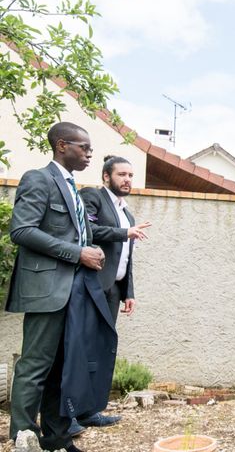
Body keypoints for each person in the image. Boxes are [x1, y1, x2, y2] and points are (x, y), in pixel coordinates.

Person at [6, 122, 105, 452]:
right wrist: (78, 253)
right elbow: (22, 230)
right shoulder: (39, 178)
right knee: (35, 366)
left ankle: (57, 438)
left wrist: (91, 248)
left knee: (62, 368)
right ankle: (23, 437)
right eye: (84, 147)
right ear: (62, 145)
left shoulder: (72, 186)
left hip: (74, 292)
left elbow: (72, 234)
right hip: (46, 290)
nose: (90, 153)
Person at [64, 156, 150, 436]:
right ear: (106, 177)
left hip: (113, 290)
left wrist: (129, 292)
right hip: (90, 286)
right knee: (79, 350)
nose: (127, 179)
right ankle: (69, 415)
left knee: (101, 349)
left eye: (130, 175)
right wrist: (125, 233)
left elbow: (127, 257)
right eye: (121, 174)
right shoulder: (93, 197)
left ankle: (91, 411)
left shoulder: (128, 214)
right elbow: (86, 231)